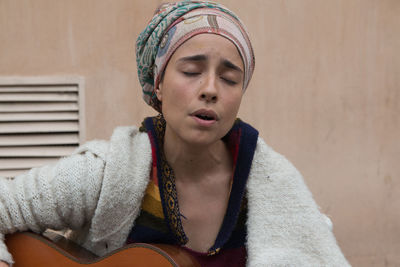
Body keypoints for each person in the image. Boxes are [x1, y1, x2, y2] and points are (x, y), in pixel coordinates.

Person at [0, 1, 350, 266]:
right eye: (192, 71)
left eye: (230, 79)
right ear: (159, 86)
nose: (210, 89)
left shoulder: (275, 187)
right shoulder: (104, 173)